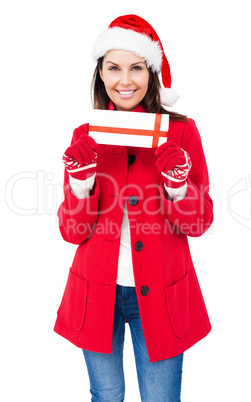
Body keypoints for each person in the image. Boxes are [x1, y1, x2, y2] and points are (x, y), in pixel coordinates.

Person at [54, 14, 213, 402]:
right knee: (105, 395)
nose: (125, 80)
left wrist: (177, 184)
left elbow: (200, 222)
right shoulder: (85, 135)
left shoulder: (181, 131)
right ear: (101, 74)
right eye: (114, 68)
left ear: (151, 72)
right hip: (98, 293)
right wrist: (81, 183)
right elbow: (72, 232)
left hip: (160, 294)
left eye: (136, 68)